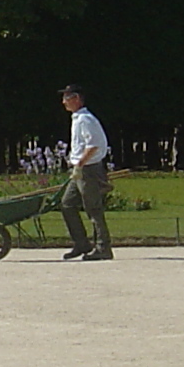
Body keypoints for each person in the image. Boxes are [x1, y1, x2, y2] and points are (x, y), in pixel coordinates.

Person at [58, 84, 112, 261]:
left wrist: (80, 164)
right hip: (80, 169)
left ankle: (103, 248)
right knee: (66, 204)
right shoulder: (77, 118)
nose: (63, 102)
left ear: (77, 99)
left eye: (67, 98)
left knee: (93, 208)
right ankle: (81, 243)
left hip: (88, 169)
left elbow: (93, 144)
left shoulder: (86, 120)